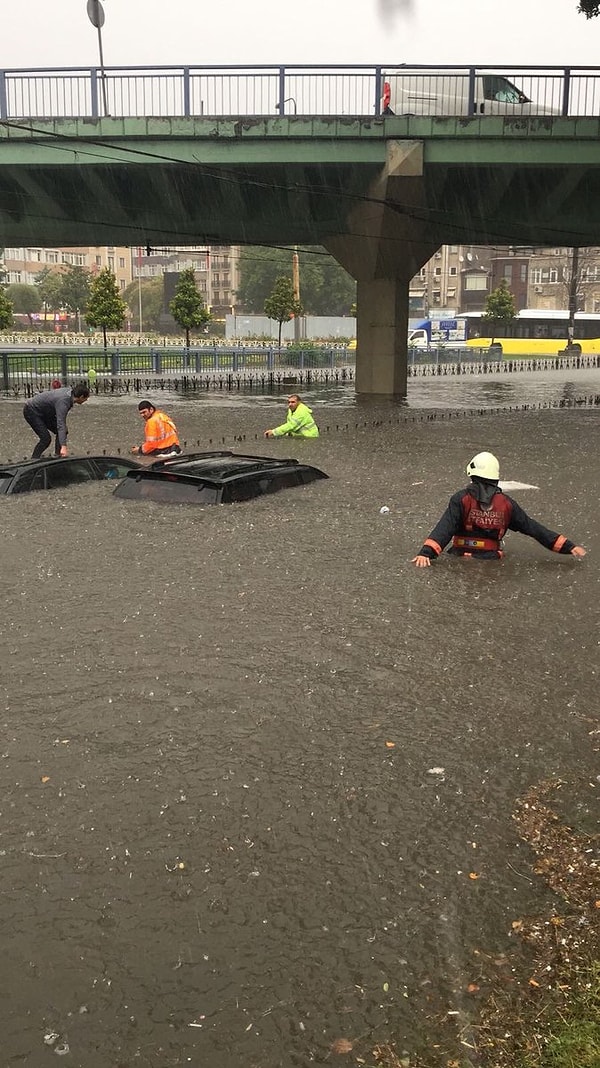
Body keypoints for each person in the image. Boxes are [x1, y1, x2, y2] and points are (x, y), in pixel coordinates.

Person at [412, 451, 587, 567]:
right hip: (492, 562)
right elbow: (533, 528)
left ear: (472, 475)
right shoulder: (507, 504)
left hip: (458, 558)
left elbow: (445, 528)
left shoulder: (461, 499)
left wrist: (426, 553)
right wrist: (568, 546)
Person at [23, 383, 90, 459]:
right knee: (46, 438)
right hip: (31, 411)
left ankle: (57, 456)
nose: (86, 400)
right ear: (81, 397)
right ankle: (34, 459)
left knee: (64, 431)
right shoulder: (64, 402)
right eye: (86, 398)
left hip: (45, 412)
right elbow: (60, 424)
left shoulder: (70, 394)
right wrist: (63, 446)